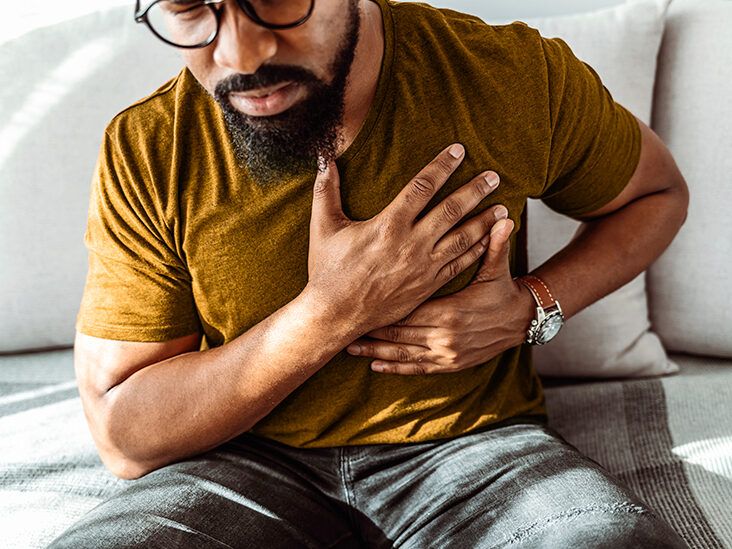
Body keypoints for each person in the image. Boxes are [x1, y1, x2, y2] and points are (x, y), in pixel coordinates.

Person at [50, 0, 690, 546]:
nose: (239, 55)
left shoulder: (509, 76)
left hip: (474, 450)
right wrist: (333, 311)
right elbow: (125, 436)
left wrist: (532, 307)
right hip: (235, 461)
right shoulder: (151, 145)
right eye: (191, 6)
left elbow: (656, 195)